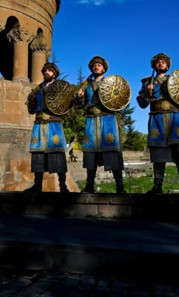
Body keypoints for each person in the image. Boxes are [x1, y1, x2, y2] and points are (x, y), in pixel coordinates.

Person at [136, 53, 179, 195]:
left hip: (175, 119)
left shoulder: (177, 80)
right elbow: (142, 104)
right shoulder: (147, 82)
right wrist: (148, 93)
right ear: (154, 66)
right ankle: (157, 187)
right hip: (157, 120)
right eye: (158, 62)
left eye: (163, 62)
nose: (161, 63)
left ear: (168, 65)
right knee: (158, 155)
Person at [76, 56, 125, 194]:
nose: (96, 67)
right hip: (91, 121)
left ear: (103, 69)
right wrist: (79, 97)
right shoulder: (86, 86)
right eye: (94, 65)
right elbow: (80, 105)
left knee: (112, 151)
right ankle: (89, 186)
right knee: (90, 153)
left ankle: (120, 187)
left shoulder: (111, 83)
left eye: (99, 65)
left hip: (108, 120)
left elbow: (119, 101)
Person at [25, 62, 68, 193]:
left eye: (49, 70)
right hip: (39, 125)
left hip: (54, 124)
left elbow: (65, 107)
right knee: (38, 154)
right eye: (45, 70)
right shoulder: (36, 90)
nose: (46, 72)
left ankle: (63, 186)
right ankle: (37, 185)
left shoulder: (60, 88)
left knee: (57, 153)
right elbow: (31, 110)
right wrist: (32, 101)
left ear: (54, 74)